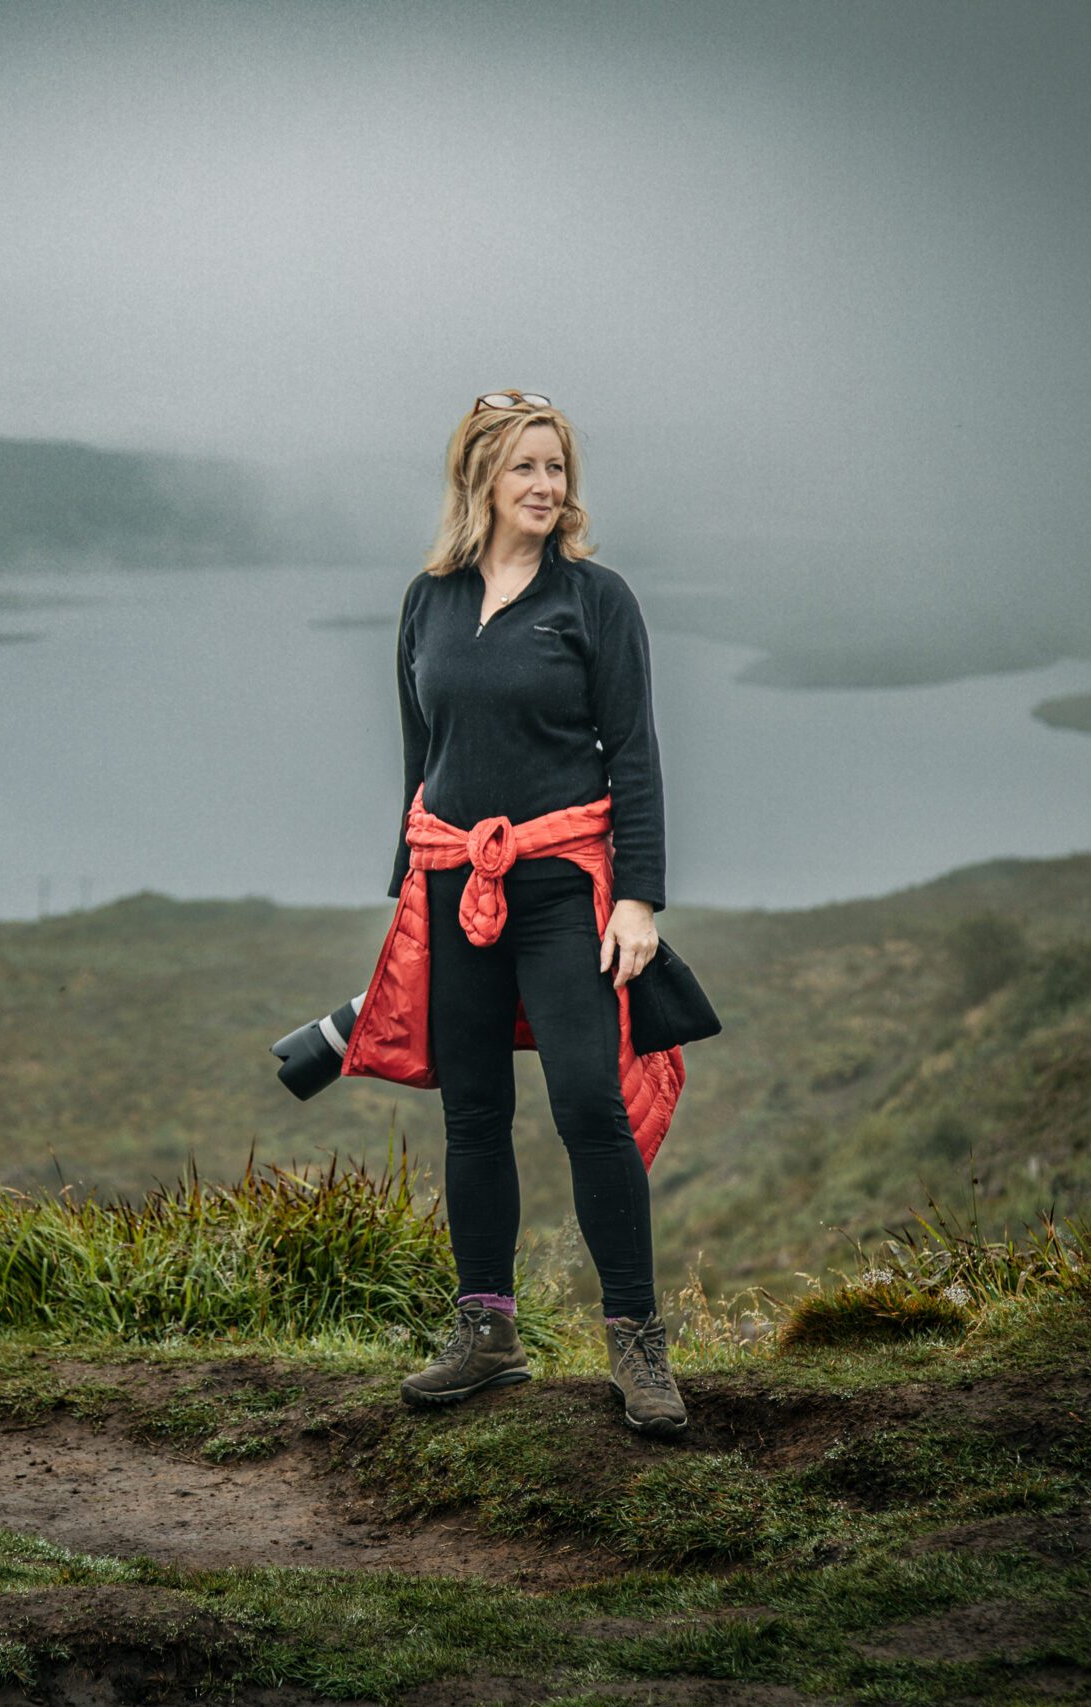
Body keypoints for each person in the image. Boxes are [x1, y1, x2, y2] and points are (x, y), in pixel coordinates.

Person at [383, 389, 688, 1438]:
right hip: (453, 888)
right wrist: (408, 898)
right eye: (524, 468)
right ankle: (488, 1335)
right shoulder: (427, 601)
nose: (546, 488)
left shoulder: (594, 600)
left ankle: (637, 1345)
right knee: (470, 1111)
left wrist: (639, 896)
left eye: (555, 469)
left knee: (585, 1107)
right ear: (478, 478)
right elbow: (421, 763)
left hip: (562, 889)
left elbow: (634, 754)